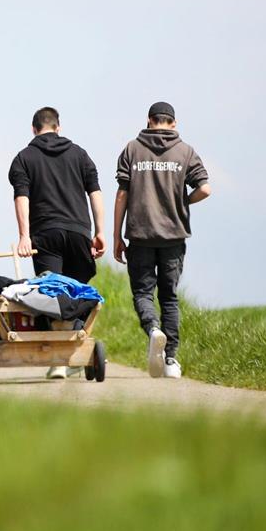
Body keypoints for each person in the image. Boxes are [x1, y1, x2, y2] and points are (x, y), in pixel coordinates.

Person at [113, 101, 211, 379]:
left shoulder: (132, 149)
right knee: (169, 297)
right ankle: (171, 361)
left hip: (140, 235)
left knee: (143, 293)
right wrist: (184, 201)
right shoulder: (185, 152)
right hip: (173, 236)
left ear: (149, 120)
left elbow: (122, 195)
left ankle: (153, 328)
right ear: (174, 123)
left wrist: (116, 235)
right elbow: (205, 188)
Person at [8, 106, 106, 378]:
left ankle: (60, 361)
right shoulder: (80, 154)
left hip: (46, 234)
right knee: (75, 293)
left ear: (33, 129)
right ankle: (70, 351)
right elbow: (95, 193)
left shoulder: (23, 158)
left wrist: (24, 236)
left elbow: (21, 197)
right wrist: (100, 231)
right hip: (78, 232)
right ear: (58, 127)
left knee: (52, 293)